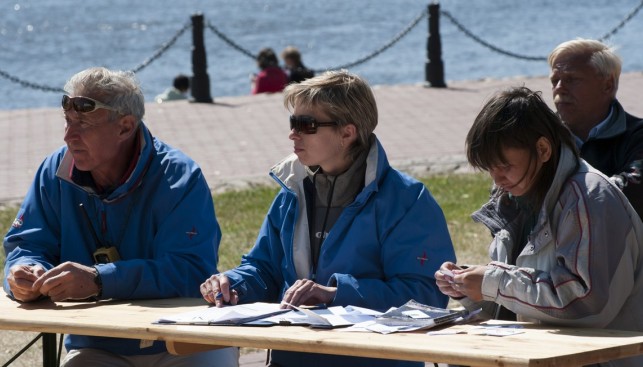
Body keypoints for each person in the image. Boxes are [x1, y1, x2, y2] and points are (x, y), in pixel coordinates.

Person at [201, 70, 456, 367]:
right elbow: (265, 268)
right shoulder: (292, 192)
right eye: (292, 123)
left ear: (347, 133)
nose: (292, 134)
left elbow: (427, 297)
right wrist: (232, 283)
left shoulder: (408, 200)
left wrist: (334, 293)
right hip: (292, 358)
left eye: (305, 124)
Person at [2, 67, 239, 367]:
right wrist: (24, 271)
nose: (68, 136)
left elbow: (190, 271)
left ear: (126, 127)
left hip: (184, 339)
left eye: (84, 123)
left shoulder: (179, 176)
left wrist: (101, 280)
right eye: (68, 121)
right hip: (97, 344)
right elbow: (26, 244)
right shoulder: (54, 172)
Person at [435, 87, 643, 367]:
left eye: (505, 166)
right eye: (489, 169)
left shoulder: (590, 198)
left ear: (543, 149)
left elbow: (586, 305)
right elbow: (515, 303)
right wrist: (468, 287)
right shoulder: (514, 196)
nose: (497, 181)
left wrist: (491, 282)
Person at [548, 38, 643, 219]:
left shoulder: (637, 136)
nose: (559, 89)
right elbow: (508, 193)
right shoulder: (540, 138)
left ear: (607, 85)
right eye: (555, 80)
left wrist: (554, 195)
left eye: (571, 79)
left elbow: (634, 191)